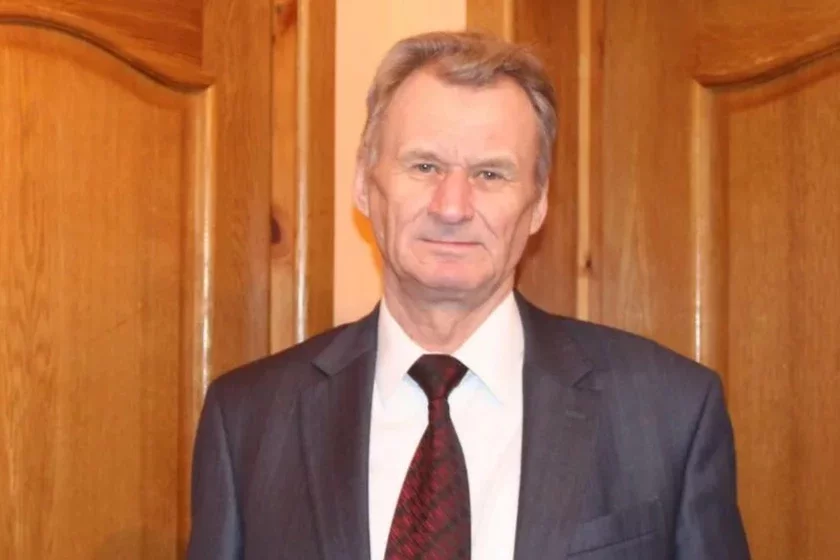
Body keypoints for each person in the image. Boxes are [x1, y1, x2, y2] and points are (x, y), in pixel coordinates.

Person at [186, 31, 750, 560]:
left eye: (491, 174)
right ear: (364, 184)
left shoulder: (670, 414)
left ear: (538, 203)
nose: (452, 207)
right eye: (424, 165)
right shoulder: (248, 422)